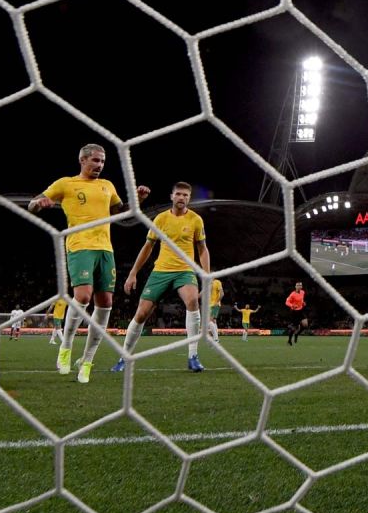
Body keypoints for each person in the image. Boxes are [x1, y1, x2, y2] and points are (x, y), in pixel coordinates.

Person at [29, 143, 150, 381]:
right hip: (79, 246)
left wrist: (138, 199)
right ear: (82, 160)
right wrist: (38, 204)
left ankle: (87, 361)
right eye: (95, 160)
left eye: (102, 162)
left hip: (105, 248)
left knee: (105, 303)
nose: (99, 165)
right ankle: (65, 348)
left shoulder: (107, 186)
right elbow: (33, 204)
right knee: (83, 296)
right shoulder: (66, 183)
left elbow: (121, 212)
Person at [113, 182, 210, 377]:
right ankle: (123, 358)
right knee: (141, 314)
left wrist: (206, 276)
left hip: (184, 271)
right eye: (178, 194)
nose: (182, 198)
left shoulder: (196, 220)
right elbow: (148, 247)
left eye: (185, 195)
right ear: (171, 196)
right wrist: (133, 273)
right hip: (161, 271)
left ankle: (193, 357)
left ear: (189, 198)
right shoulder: (160, 219)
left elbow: (202, 249)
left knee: (192, 301)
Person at [285, 282, 307, 346]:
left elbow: (301, 300)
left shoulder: (303, 292)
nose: (299, 286)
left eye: (300, 285)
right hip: (294, 312)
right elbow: (286, 302)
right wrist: (292, 305)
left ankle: (297, 334)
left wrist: (303, 303)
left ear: (301, 287)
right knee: (294, 328)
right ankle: (289, 340)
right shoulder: (292, 294)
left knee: (305, 324)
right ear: (295, 286)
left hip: (301, 310)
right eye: (298, 285)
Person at [208, 278, 223, 344]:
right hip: (210, 305)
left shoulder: (217, 282)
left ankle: (216, 339)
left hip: (214, 305)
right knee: (213, 321)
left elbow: (222, 294)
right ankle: (216, 338)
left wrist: (217, 301)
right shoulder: (209, 283)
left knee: (209, 320)